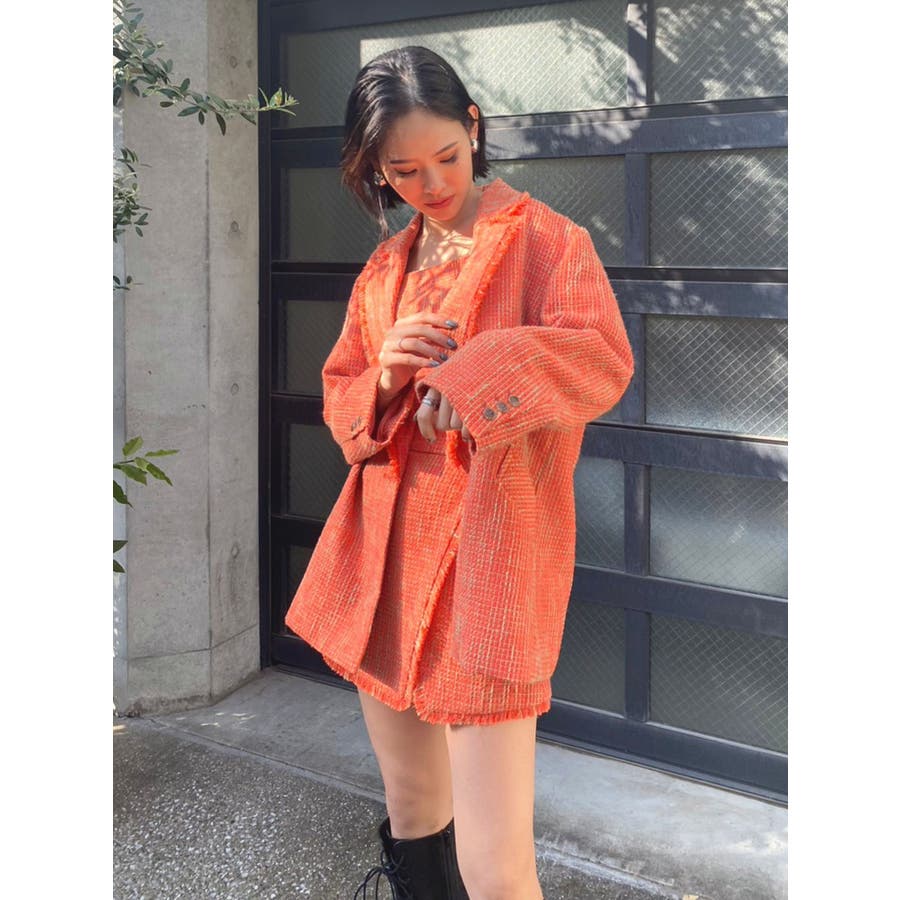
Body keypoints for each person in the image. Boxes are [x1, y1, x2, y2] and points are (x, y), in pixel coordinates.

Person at [284, 46, 634, 900]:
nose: (431, 182)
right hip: (385, 558)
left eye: (445, 155)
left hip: (490, 563)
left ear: (473, 126)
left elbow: (601, 361)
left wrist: (476, 374)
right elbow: (343, 408)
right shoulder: (384, 269)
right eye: (402, 170)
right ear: (375, 168)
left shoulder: (549, 243)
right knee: (412, 807)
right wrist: (387, 375)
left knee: (496, 863)